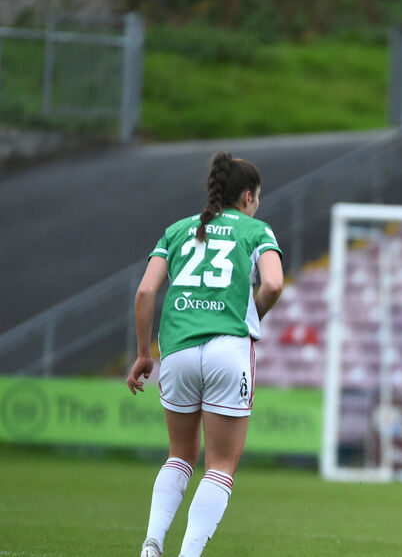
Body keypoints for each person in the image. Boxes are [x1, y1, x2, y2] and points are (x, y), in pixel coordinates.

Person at [126, 151, 284, 557]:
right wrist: (253, 314)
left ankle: (151, 542)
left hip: (177, 350)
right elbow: (274, 284)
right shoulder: (256, 230)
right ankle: (189, 554)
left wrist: (145, 353)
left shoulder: (177, 230)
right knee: (220, 466)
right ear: (248, 196)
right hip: (228, 349)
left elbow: (145, 293)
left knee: (179, 456)